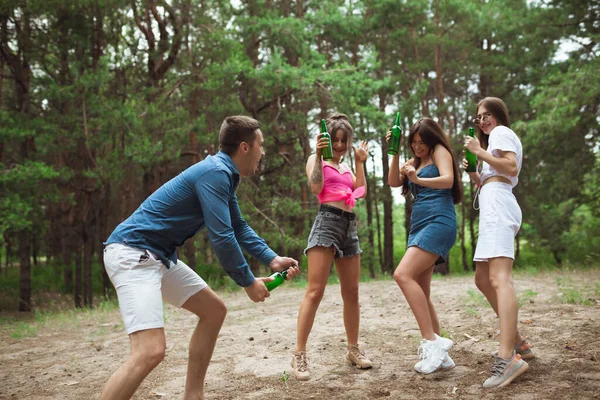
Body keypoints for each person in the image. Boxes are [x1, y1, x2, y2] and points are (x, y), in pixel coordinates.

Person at [100, 115, 300, 400]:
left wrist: (272, 259)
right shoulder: (215, 173)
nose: (263, 151)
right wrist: (247, 282)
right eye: (261, 145)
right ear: (245, 147)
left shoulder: (223, 174)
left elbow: (238, 226)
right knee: (149, 351)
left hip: (157, 256)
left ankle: (193, 396)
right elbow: (222, 237)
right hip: (134, 253)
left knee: (214, 311)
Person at [291, 113, 371, 380]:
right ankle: (299, 354)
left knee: (352, 293)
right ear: (326, 141)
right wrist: (318, 153)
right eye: (334, 140)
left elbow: (360, 191)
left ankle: (353, 349)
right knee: (315, 291)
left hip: (349, 226)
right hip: (327, 222)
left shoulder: (347, 167)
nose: (338, 145)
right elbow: (315, 187)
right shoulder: (316, 160)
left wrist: (360, 163)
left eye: (343, 141)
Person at [464, 97, 532, 388]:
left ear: (499, 115)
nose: (483, 120)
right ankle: (519, 343)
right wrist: (473, 172)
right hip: (494, 205)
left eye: (487, 114)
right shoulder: (492, 142)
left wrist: (479, 150)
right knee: (483, 279)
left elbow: (511, 167)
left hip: (500, 207)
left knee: (500, 279)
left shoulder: (501, 133)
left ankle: (509, 358)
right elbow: (494, 176)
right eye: (479, 117)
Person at [387, 117, 462, 374]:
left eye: (422, 142)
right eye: (413, 143)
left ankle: (432, 342)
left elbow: (448, 180)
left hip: (438, 219)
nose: (418, 147)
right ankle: (441, 356)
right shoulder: (414, 161)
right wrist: (395, 153)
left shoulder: (439, 151)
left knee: (402, 274)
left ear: (432, 141)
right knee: (421, 290)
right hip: (419, 224)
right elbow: (393, 182)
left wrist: (418, 179)